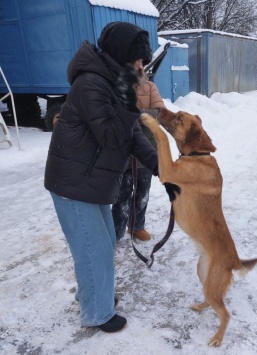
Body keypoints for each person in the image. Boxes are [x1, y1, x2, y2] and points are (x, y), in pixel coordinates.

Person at [44, 21, 159, 333]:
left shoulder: (115, 83)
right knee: (93, 250)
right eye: (137, 61)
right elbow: (110, 135)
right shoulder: (92, 83)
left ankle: (93, 295)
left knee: (102, 245)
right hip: (73, 183)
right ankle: (97, 313)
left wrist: (163, 168)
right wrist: (130, 105)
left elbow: (133, 135)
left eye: (143, 62)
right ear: (122, 56)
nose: (140, 67)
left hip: (91, 182)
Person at [112, 65, 166, 242]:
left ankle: (137, 226)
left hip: (146, 150)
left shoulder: (150, 87)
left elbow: (159, 113)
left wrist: (132, 115)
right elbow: (112, 114)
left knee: (143, 192)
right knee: (122, 194)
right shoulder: (116, 87)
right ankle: (116, 231)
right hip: (123, 152)